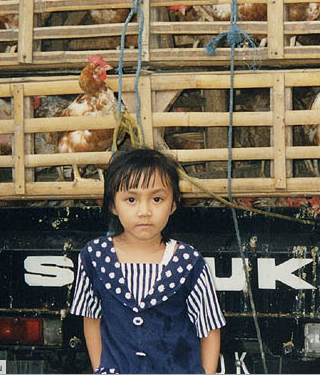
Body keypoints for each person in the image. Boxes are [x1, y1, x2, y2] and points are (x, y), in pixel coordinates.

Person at [70, 148, 226, 374]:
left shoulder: (188, 261)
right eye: (131, 199)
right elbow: (92, 317)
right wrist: (101, 368)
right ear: (113, 204)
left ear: (173, 204)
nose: (144, 211)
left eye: (157, 199)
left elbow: (209, 328)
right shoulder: (94, 257)